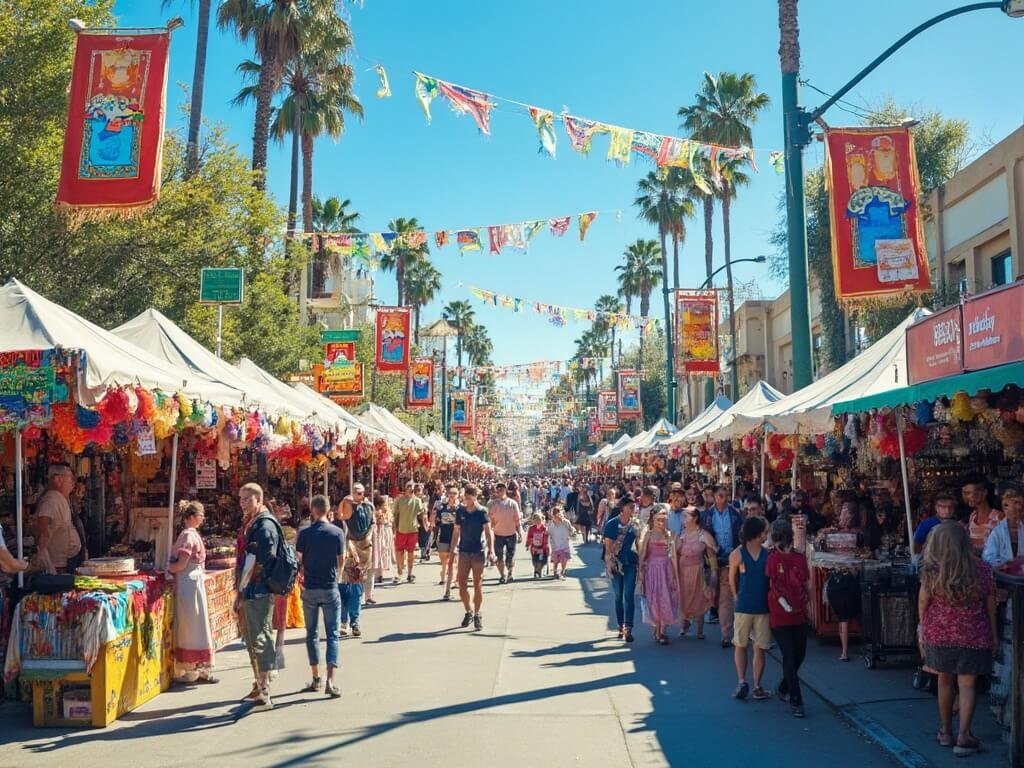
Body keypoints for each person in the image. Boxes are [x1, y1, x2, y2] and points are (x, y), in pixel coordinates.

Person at [919, 522, 997, 757]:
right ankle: (964, 735)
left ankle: (945, 731)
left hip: (940, 634)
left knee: (944, 681)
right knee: (967, 685)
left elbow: (923, 602)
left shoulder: (932, 571)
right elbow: (990, 606)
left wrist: (922, 627)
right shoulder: (982, 570)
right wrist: (993, 635)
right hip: (973, 634)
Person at [235, 482, 281, 711]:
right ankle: (259, 683)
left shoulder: (263, 525)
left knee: (260, 637)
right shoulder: (253, 522)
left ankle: (265, 690)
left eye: (247, 499)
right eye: (241, 499)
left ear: (258, 499)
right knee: (252, 637)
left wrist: (243, 590)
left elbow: (257, 561)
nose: (242, 503)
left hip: (258, 590)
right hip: (252, 589)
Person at [295, 494, 345, 698]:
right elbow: (341, 560)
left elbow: (299, 559)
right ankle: (331, 681)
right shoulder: (337, 532)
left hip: (310, 587)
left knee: (312, 633)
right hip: (330, 586)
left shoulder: (305, 534)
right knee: (332, 634)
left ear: (313, 511)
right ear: (328, 510)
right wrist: (337, 576)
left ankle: (316, 677)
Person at [167, 501, 217, 684]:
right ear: (191, 517)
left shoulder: (188, 535)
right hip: (192, 583)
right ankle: (198, 667)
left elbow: (180, 564)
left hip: (188, 583)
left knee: (190, 626)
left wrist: (168, 567)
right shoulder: (190, 535)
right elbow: (183, 562)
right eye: (201, 514)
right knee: (197, 625)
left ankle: (192, 668)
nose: (203, 518)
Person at [766, 519, 810, 718]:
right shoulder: (773, 559)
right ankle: (796, 699)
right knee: (790, 657)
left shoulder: (799, 558)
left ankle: (784, 686)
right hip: (779, 613)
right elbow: (772, 585)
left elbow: (805, 583)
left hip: (798, 612)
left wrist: (805, 603)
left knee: (799, 655)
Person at [729, 516, 772, 701]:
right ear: (758, 533)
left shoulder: (744, 553)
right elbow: (732, 577)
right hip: (755, 606)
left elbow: (732, 578)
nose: (766, 534)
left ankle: (746, 683)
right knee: (752, 646)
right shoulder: (747, 554)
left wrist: (736, 596)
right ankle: (751, 684)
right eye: (765, 531)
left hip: (752, 605)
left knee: (746, 645)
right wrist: (735, 596)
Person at [701, 485, 743, 648]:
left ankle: (726, 634)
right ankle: (708, 617)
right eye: (720, 496)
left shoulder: (735, 515)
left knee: (726, 595)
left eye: (725, 496)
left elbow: (741, 535)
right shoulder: (707, 516)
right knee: (714, 594)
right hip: (712, 559)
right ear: (714, 496)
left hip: (729, 560)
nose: (722, 499)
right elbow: (703, 536)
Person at [451, 484, 495, 631]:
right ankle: (468, 611)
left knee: (478, 583)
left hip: (477, 551)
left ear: (475, 497)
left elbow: (488, 532)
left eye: (469, 498)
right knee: (461, 584)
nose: (467, 501)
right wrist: (452, 550)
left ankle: (477, 613)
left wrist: (491, 550)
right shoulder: (460, 511)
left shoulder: (482, 512)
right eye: (465, 498)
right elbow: (456, 532)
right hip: (463, 551)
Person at [638, 506, 679, 645]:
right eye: (658, 519)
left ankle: (662, 631)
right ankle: (657, 628)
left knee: (665, 598)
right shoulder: (649, 534)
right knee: (653, 599)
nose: (661, 522)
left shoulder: (670, 534)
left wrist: (676, 574)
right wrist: (640, 571)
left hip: (666, 570)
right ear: (653, 520)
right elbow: (643, 553)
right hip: (652, 570)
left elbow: (673, 556)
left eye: (664, 519)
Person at [604, 496, 641, 643]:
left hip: (630, 561)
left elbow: (639, 544)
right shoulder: (612, 524)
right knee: (618, 595)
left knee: (629, 595)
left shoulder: (636, 524)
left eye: (634, 506)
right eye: (630, 506)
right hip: (615, 562)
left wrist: (642, 562)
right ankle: (620, 624)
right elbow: (608, 548)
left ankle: (628, 628)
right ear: (623, 507)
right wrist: (609, 563)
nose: (633, 508)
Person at [36, 463, 83, 574]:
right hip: (56, 565)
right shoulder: (51, 500)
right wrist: (45, 559)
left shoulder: (60, 498)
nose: (73, 482)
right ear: (58, 479)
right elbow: (43, 529)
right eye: (70, 478)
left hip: (66, 561)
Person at [677, 506, 716, 640]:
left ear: (695, 518)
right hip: (682, 570)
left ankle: (700, 630)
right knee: (684, 597)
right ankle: (684, 627)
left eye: (686, 516)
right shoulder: (681, 533)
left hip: (697, 570)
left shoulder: (703, 534)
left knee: (699, 598)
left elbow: (712, 553)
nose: (683, 519)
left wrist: (714, 571)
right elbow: (674, 553)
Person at [336, 493, 372, 638]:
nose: (350, 510)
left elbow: (367, 545)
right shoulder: (338, 524)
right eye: (347, 507)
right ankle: (343, 622)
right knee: (343, 593)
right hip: (341, 565)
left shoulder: (359, 524)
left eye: (352, 507)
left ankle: (355, 622)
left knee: (356, 593)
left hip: (356, 565)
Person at [488, 482, 523, 584]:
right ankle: (502, 575)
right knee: (499, 557)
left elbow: (517, 520)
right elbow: (489, 521)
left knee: (510, 557)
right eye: (498, 489)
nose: (500, 491)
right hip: (498, 535)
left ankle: (510, 573)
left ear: (505, 490)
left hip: (511, 534)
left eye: (502, 489)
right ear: (496, 491)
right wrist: (489, 534)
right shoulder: (492, 504)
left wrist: (520, 532)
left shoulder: (512, 503)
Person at [983, 484, 1024, 567]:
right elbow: (988, 557)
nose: (1013, 509)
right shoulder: (997, 532)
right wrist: (1003, 564)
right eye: (1006, 506)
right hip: (1005, 577)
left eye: (1018, 504)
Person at [433, 484, 461, 600]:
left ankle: (451, 583)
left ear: (458, 495)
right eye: (450, 495)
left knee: (452, 561)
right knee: (444, 558)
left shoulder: (461, 508)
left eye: (454, 495)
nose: (452, 497)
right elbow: (437, 519)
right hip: (444, 534)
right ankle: (445, 572)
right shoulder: (442, 507)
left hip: (456, 537)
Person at [393, 482, 425, 583]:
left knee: (411, 553)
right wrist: (395, 528)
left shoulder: (417, 500)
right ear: (405, 488)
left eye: (412, 488)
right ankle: (399, 573)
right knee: (399, 552)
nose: (410, 489)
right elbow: (395, 515)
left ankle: (410, 574)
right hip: (401, 530)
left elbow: (422, 514)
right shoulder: (399, 500)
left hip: (413, 530)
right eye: (408, 487)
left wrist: (426, 523)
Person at [964, 479, 1003, 554]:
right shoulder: (972, 516)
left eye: (970, 493)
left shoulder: (999, 517)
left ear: (984, 492)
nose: (968, 497)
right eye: (966, 493)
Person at [367, 494, 394, 604]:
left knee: (372, 569)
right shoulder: (375, 514)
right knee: (370, 569)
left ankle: (369, 594)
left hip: (379, 538)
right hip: (374, 540)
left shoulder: (382, 513)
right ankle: (367, 594)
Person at [548, 505, 574, 580]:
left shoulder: (566, 522)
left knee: (564, 559)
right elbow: (548, 533)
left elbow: (571, 530)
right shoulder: (551, 523)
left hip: (565, 543)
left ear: (561, 513)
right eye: (554, 514)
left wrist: (573, 533)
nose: (557, 515)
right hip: (555, 544)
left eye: (558, 513)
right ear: (552, 515)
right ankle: (555, 572)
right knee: (555, 561)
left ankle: (562, 571)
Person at [526, 512, 549, 579]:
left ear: (542, 520)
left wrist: (543, 548)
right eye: (535, 519)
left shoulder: (545, 528)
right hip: (534, 548)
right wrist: (528, 544)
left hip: (543, 548)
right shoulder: (531, 528)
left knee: (541, 561)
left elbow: (546, 538)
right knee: (535, 561)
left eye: (539, 519)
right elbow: (529, 537)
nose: (537, 521)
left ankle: (539, 571)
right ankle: (536, 571)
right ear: (533, 520)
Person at [415, 483, 432, 563]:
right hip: (416, 521)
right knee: (420, 537)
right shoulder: (413, 499)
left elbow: (427, 509)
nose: (418, 492)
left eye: (419, 490)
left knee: (427, 535)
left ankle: (426, 551)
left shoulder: (425, 498)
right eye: (416, 490)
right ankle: (423, 551)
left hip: (424, 520)